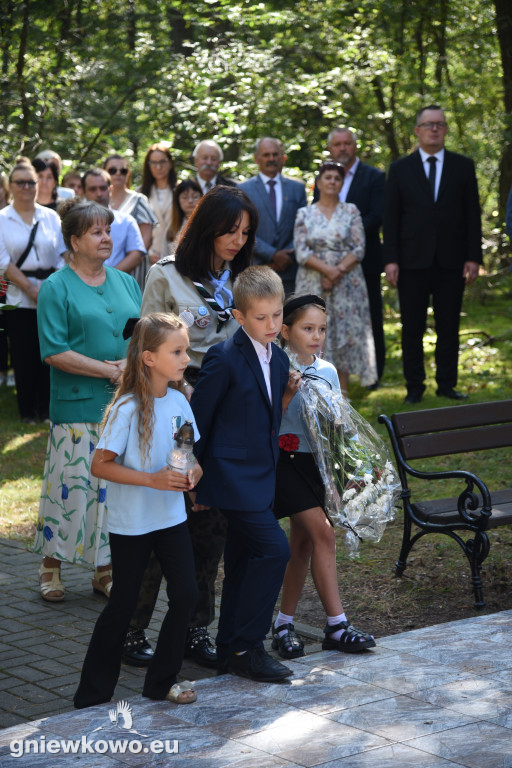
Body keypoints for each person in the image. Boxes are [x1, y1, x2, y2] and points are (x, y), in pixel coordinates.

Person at [123, 185, 257, 669]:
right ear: (207, 227)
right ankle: (131, 629)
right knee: (168, 518)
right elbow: (147, 351)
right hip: (179, 412)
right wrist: (181, 395)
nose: (237, 240)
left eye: (245, 232)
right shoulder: (168, 276)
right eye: (229, 230)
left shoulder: (245, 279)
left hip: (227, 416)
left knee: (210, 528)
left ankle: (194, 629)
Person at [73, 313, 200, 709]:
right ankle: (93, 695)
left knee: (186, 595)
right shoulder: (127, 408)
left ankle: (162, 680)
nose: (185, 358)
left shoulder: (180, 400)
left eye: (186, 350)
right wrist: (153, 480)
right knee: (123, 603)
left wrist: (194, 471)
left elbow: (188, 454)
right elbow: (100, 466)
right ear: (148, 357)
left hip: (171, 518)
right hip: (133, 524)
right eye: (176, 351)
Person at [34, 199, 141, 601]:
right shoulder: (55, 287)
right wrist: (109, 369)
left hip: (123, 405)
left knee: (110, 492)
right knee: (70, 488)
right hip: (76, 405)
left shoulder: (126, 281)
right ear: (74, 240)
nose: (106, 238)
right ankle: (51, 565)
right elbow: (53, 351)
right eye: (96, 232)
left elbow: (144, 335)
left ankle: (104, 569)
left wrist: (131, 364)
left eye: (108, 231)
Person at [191, 265, 294, 683]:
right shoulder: (224, 356)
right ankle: (248, 646)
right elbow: (198, 421)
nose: (271, 325)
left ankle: (229, 643)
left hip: (263, 476)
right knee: (275, 550)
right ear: (238, 317)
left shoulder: (281, 358)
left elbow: (268, 419)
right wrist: (191, 477)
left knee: (242, 560)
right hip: (231, 477)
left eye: (277, 315)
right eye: (260, 317)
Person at [272, 294, 376, 659]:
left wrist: (354, 466)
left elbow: (339, 427)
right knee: (324, 534)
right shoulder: (275, 366)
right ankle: (337, 625)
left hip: (316, 465)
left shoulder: (328, 371)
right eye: (307, 328)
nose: (316, 336)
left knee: (301, 544)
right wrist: (286, 395)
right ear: (285, 330)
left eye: (322, 329)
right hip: (284, 464)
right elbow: (265, 420)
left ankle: (283, 624)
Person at [383, 105, 482, 404]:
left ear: (446, 129)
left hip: (452, 261)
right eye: (428, 124)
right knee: (412, 327)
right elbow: (392, 218)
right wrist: (391, 259)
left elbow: (472, 215)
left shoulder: (463, 166)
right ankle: (415, 387)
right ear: (417, 130)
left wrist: (474, 257)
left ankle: (447, 385)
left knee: (449, 325)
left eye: (439, 124)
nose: (434, 129)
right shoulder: (400, 169)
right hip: (412, 261)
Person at [294, 161, 377, 394]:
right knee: (314, 330)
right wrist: (326, 270)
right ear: (318, 182)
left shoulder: (351, 210)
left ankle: (343, 394)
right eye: (327, 177)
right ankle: (314, 391)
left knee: (344, 333)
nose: (332, 181)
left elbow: (359, 248)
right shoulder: (304, 213)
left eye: (337, 178)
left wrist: (336, 271)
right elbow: (301, 251)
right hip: (313, 281)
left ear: (341, 184)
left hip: (347, 283)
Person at [314, 128, 386, 385]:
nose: (342, 148)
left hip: (363, 263)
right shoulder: (322, 176)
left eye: (347, 144)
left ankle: (372, 375)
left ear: (354, 147)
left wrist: (340, 232)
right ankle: (330, 374)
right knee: (327, 321)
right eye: (337, 144)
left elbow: (377, 216)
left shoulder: (374, 177)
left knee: (370, 319)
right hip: (324, 266)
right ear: (330, 149)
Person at [0, 162, 66, 422]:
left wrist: (49, 289)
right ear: (10, 187)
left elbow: (64, 255)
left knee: (49, 352)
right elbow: (4, 262)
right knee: (23, 353)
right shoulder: (2, 219)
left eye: (32, 182)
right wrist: (31, 289)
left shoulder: (51, 217)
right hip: (19, 297)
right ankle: (27, 410)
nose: (27, 187)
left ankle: (47, 408)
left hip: (51, 292)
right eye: (21, 182)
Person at [240, 137, 307, 295]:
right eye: (266, 155)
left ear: (283, 157)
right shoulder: (243, 189)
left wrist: (287, 254)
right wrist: (272, 254)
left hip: (290, 270)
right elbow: (242, 229)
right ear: (256, 158)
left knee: (289, 318)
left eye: (275, 154)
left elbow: (303, 226)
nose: (271, 159)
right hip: (256, 271)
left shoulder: (297, 188)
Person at [104, 154, 157, 290]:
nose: (118, 174)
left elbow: (145, 242)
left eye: (123, 170)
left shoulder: (138, 200)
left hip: (132, 273)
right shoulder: (98, 201)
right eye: (112, 170)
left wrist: (112, 274)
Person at [82, 168, 146, 275]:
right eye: (93, 189)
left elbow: (136, 255)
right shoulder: (75, 222)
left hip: (117, 284)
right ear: (84, 192)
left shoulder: (126, 221)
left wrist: (109, 277)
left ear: (110, 189)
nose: (99, 194)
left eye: (103, 188)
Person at [140, 143, 177, 265]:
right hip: (149, 256)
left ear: (170, 163)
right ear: (148, 165)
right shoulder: (140, 193)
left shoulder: (181, 190)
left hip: (175, 254)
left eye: (162, 162)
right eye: (154, 163)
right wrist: (147, 254)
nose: (158, 167)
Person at [167, 179, 202, 254]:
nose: (190, 201)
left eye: (195, 196)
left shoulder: (210, 224)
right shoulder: (171, 228)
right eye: (185, 197)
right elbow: (164, 257)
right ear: (177, 200)